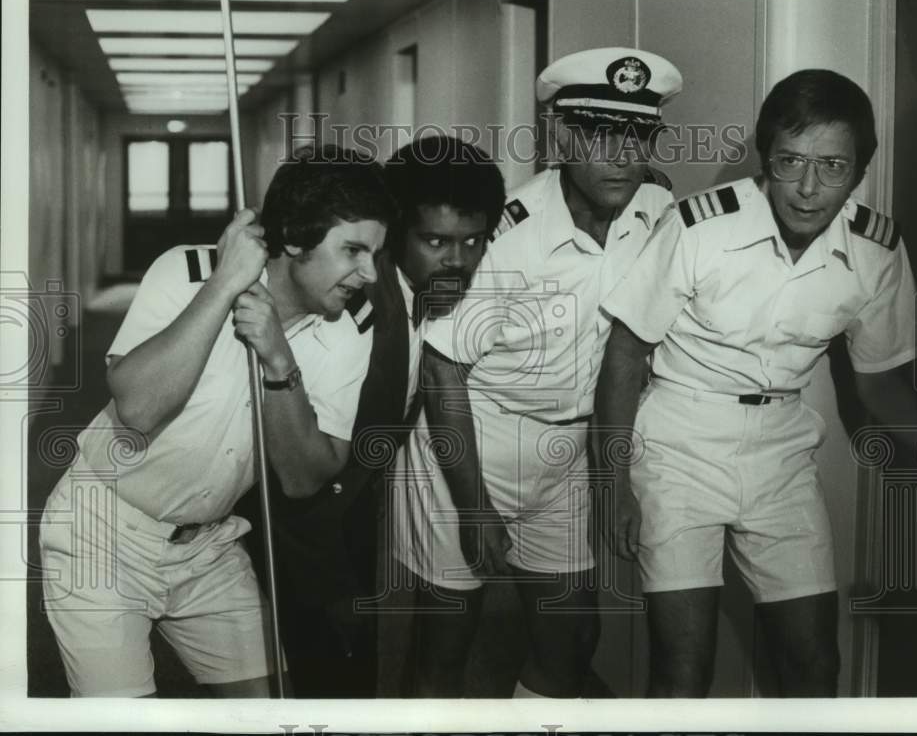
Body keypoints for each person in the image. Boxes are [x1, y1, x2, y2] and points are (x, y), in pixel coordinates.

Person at [595, 69, 917, 697]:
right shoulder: (700, 226)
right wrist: (614, 481)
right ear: (765, 158)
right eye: (790, 162)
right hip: (679, 445)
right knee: (683, 663)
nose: (808, 189)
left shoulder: (877, 250)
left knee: (814, 660)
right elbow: (625, 352)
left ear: (860, 170)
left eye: (832, 166)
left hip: (782, 450)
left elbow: (882, 386)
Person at [38, 145, 397, 697]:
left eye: (375, 253)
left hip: (211, 547)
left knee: (266, 712)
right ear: (296, 239)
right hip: (102, 531)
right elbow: (137, 409)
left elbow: (305, 479)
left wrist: (280, 363)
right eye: (352, 250)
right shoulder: (185, 271)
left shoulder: (349, 331)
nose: (369, 273)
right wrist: (224, 285)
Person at [400, 47, 683, 697]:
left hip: (568, 452)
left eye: (638, 135)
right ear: (561, 135)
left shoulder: (656, 213)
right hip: (471, 441)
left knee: (573, 638)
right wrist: (475, 509)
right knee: (447, 643)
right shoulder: (503, 236)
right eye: (601, 135)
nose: (621, 154)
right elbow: (442, 372)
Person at [241, 134, 504, 697]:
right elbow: (296, 470)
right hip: (306, 546)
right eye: (435, 241)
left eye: (473, 241)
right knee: (329, 689)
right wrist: (333, 586)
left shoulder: (413, 294)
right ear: (394, 232)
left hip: (349, 533)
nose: (457, 259)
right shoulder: (354, 314)